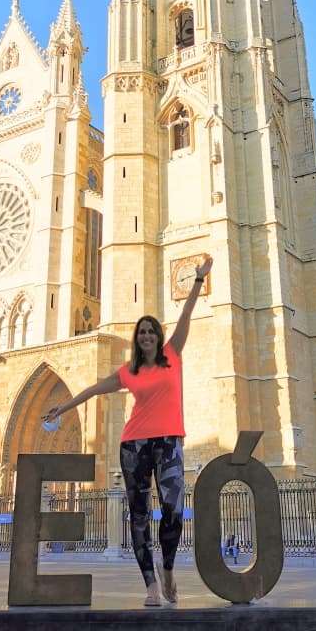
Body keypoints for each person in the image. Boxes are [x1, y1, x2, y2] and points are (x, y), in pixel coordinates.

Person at [44, 254, 213, 607]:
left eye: (151, 331)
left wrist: (198, 281)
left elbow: (186, 315)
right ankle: (150, 585)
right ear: (137, 340)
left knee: (173, 509)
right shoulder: (128, 371)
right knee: (137, 515)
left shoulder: (173, 354)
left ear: (158, 336)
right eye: (142, 332)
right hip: (133, 443)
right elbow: (94, 388)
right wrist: (63, 406)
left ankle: (167, 567)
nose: (147, 336)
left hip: (168, 441)